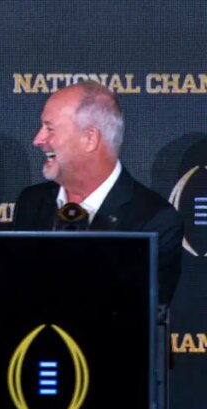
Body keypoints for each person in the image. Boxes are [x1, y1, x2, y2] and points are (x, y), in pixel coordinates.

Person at [14, 80, 183, 304]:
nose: (38, 140)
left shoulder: (154, 220)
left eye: (50, 128)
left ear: (90, 138)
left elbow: (140, 317)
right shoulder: (32, 202)